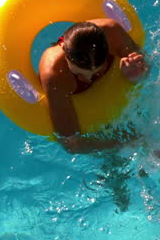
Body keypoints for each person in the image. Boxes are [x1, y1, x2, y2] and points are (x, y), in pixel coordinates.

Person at [38, 19, 147, 153]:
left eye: (97, 72)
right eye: (78, 73)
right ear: (66, 56)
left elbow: (146, 70)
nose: (87, 79)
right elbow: (72, 144)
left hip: (119, 104)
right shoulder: (54, 73)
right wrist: (124, 143)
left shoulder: (113, 33)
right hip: (92, 125)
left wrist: (135, 76)